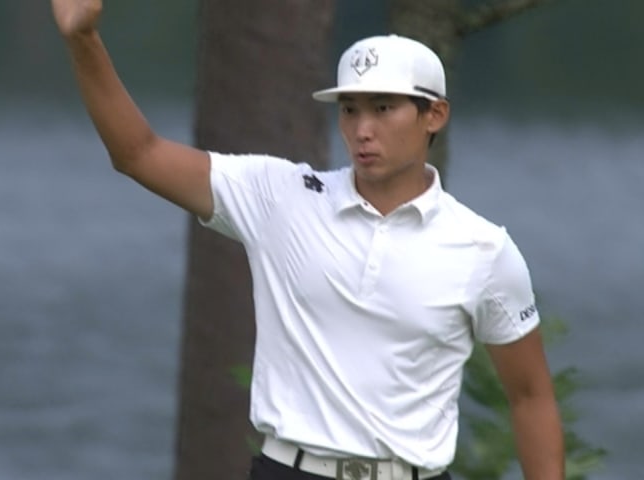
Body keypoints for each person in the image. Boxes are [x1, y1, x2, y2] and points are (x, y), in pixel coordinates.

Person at [50, 1, 565, 479]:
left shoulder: (483, 249)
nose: (362, 129)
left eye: (383, 108)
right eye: (350, 110)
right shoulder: (280, 197)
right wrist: (84, 39)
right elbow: (138, 153)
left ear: (435, 115)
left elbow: (530, 397)